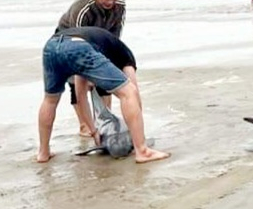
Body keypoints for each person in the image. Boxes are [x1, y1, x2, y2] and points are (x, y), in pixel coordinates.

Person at [36, 26, 169, 164]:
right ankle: (143, 152)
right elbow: (133, 93)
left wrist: (94, 131)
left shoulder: (98, 47)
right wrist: (138, 134)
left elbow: (80, 97)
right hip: (78, 46)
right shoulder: (125, 57)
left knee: (50, 100)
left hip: (51, 46)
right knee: (128, 91)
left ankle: (43, 153)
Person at [55, 0, 126, 136]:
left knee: (105, 79)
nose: (111, 3)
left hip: (100, 39)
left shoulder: (120, 4)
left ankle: (105, 121)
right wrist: (86, 75)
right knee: (77, 83)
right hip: (68, 41)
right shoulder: (82, 9)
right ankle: (84, 125)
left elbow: (114, 37)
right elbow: (78, 42)